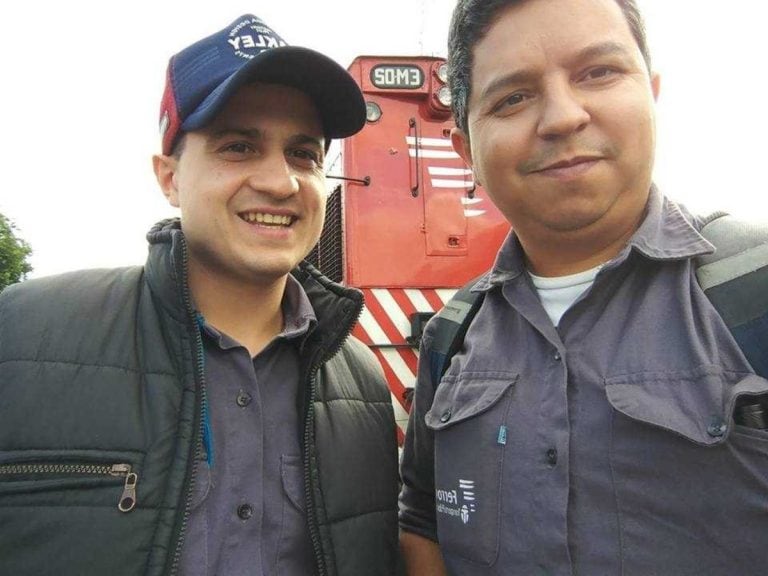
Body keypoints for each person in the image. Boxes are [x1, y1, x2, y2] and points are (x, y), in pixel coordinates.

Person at [0, 14, 399, 576]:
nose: (281, 182)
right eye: (238, 146)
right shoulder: (22, 337)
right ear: (168, 177)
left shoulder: (364, 384)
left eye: (304, 154)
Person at [398, 0, 768, 575]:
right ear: (466, 150)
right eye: (513, 97)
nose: (563, 117)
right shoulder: (451, 333)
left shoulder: (756, 285)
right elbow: (422, 517)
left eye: (599, 72)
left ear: (652, 93)